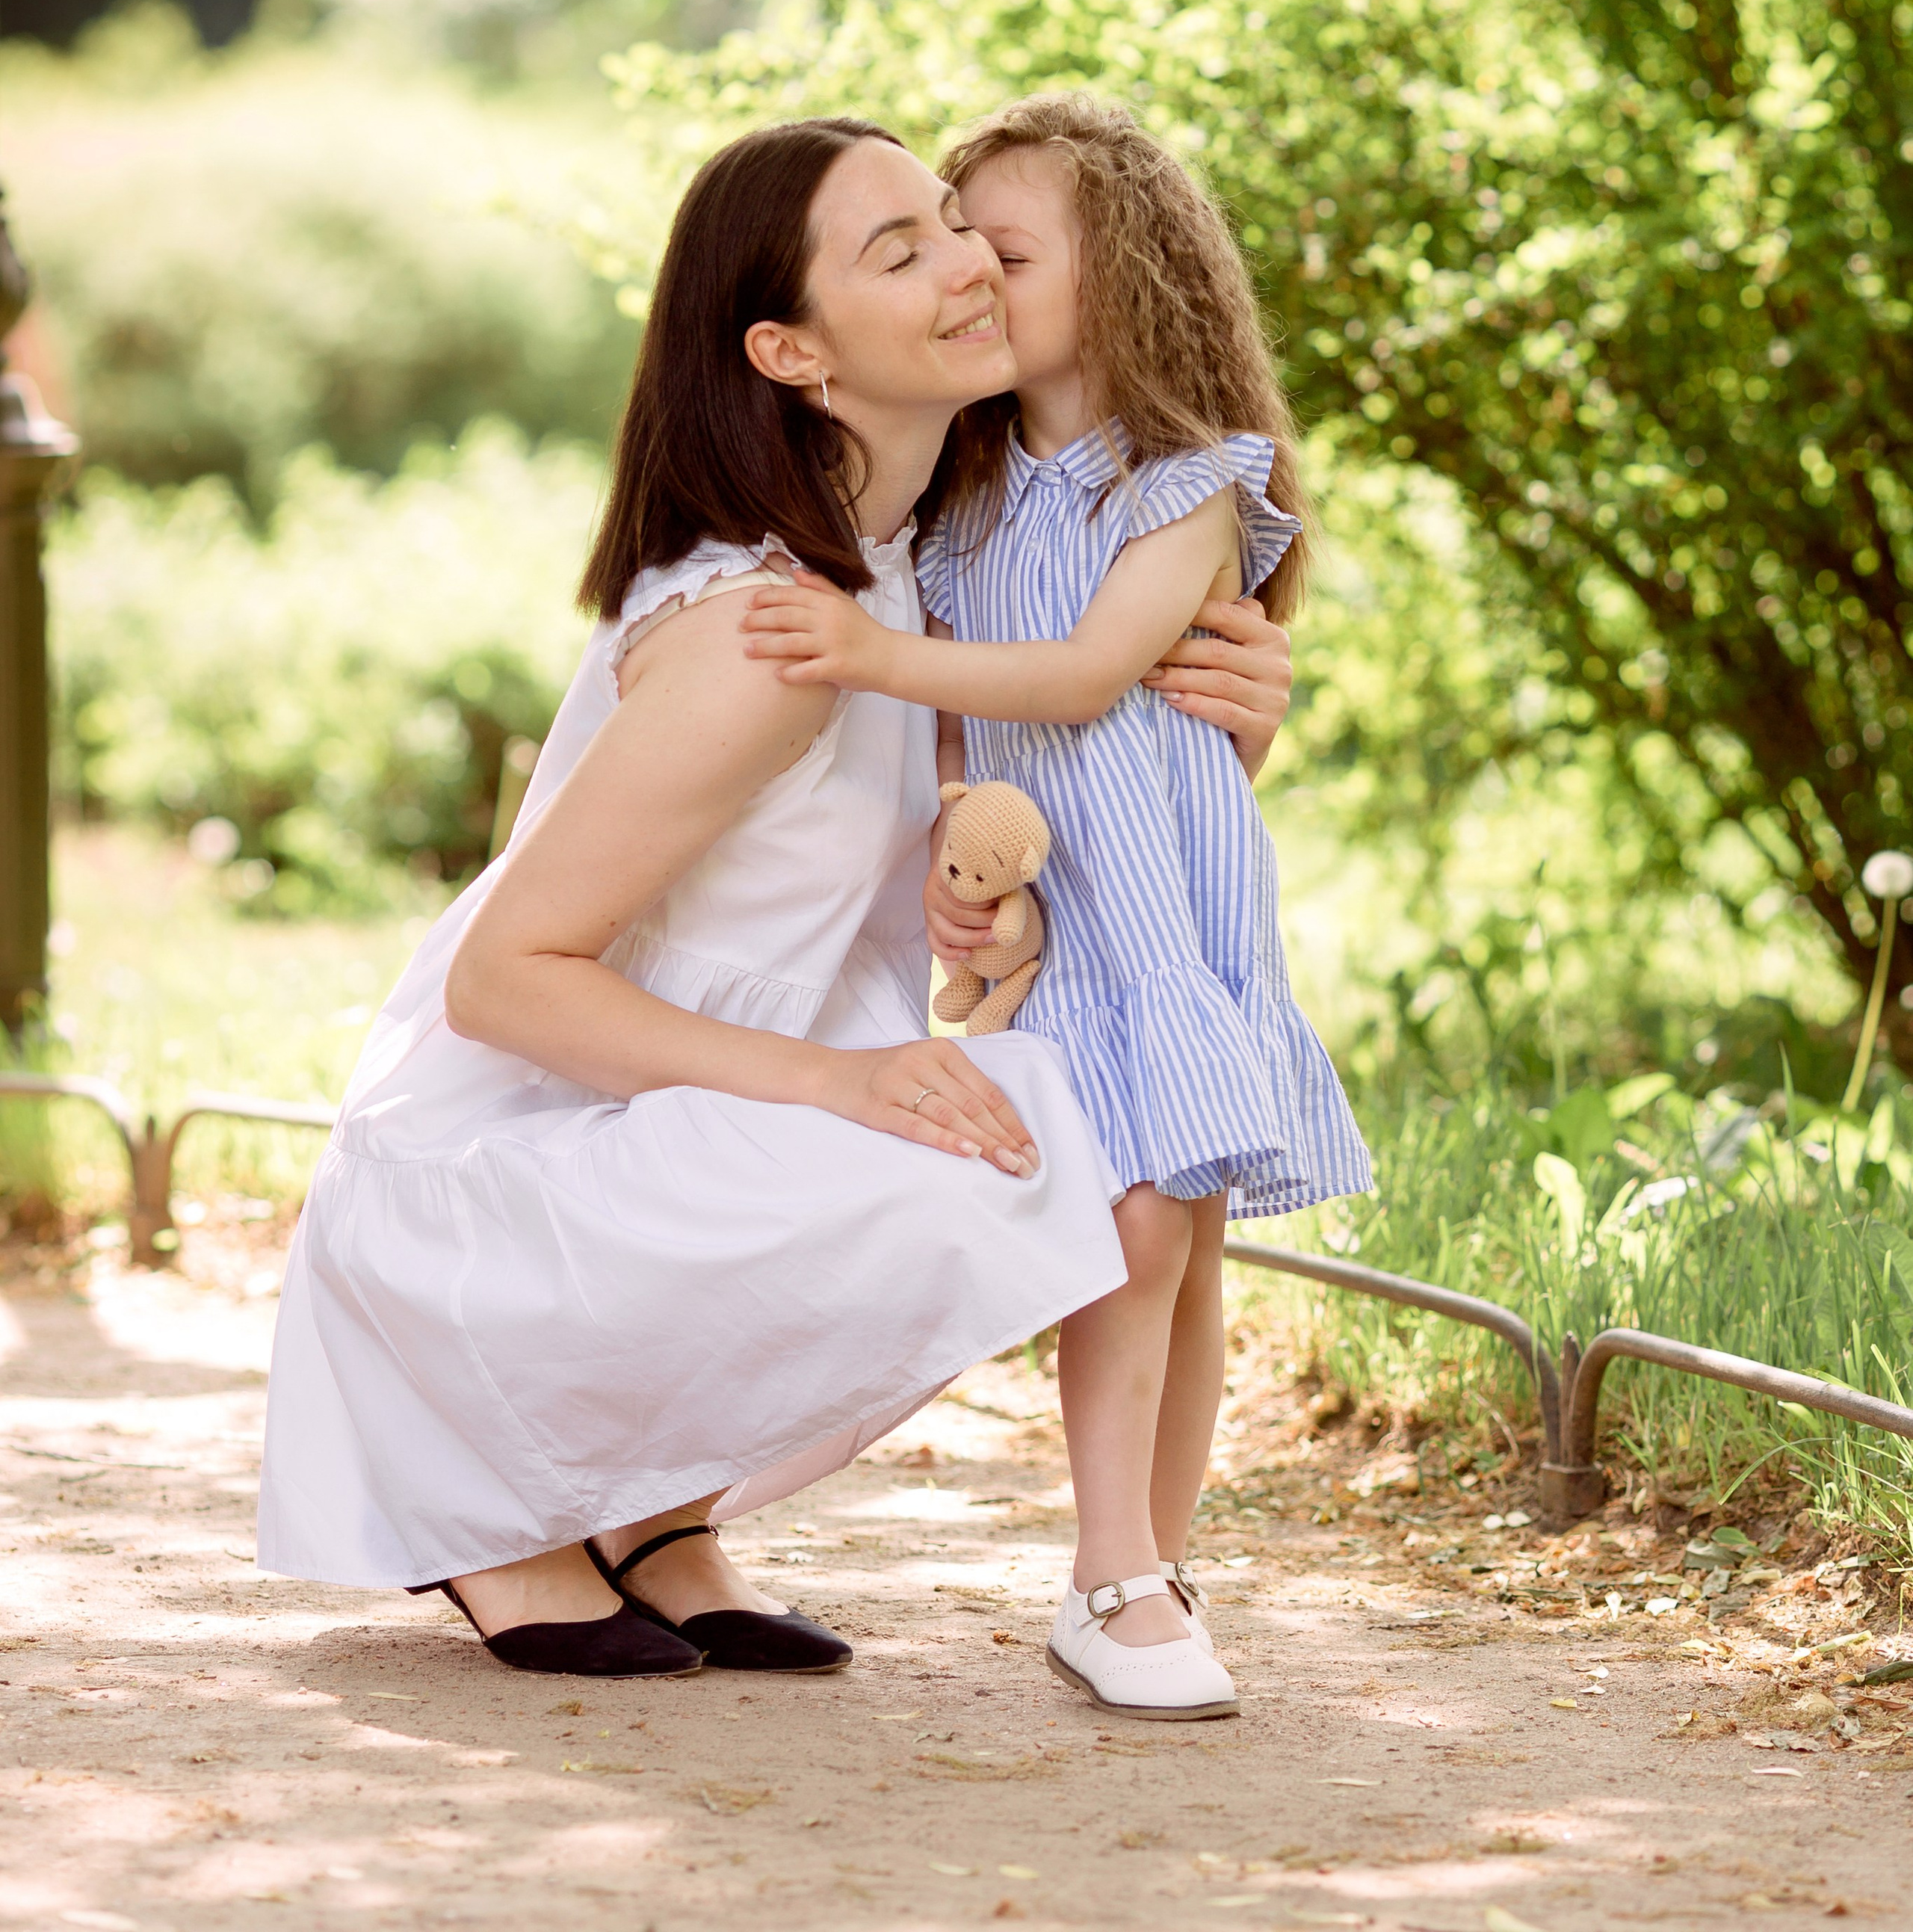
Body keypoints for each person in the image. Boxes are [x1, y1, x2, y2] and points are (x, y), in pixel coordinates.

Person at [256, 115, 1297, 1686]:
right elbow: (505, 984)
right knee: (1052, 1140)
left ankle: (654, 1506)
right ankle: (490, 1485)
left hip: (669, 1129)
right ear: (790, 352)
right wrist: (846, 1077)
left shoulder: (910, 576)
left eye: (959, 224)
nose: (963, 262)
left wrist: (1191, 746)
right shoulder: (769, 636)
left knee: (1088, 1113)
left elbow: (1024, 810)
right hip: (496, 1185)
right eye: (901, 249)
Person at [741, 96, 1371, 1723]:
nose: (968, 273)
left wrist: (871, 654)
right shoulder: (959, 491)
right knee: (1133, 1223)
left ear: (1127, 283)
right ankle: (1122, 1570)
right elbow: (963, 740)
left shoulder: (1178, 484)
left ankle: (1136, 1566)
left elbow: (1090, 677)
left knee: (1177, 1228)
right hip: (1064, 907)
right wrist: (966, 861)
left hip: (1158, 904)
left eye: (1000, 251)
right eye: (948, 242)